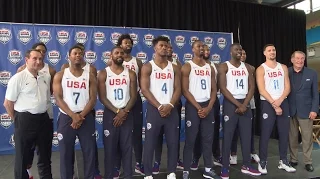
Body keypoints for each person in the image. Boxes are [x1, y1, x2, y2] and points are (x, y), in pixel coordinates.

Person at [4, 49, 53, 179]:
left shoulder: (45, 77)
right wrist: (18, 121)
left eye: (40, 59)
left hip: (43, 120)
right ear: (26, 60)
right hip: (24, 120)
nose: (38, 61)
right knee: (22, 159)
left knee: (45, 156)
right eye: (34, 58)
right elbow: (8, 103)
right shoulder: (18, 78)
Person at [53, 45, 97, 179]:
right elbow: (58, 98)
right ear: (69, 56)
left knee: (89, 152)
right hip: (67, 117)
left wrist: (80, 116)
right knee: (66, 153)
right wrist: (73, 116)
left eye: (80, 53)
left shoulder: (90, 76)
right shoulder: (60, 75)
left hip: (85, 116)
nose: (78, 55)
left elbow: (93, 99)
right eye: (75, 53)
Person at [140, 36, 181, 179]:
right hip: (154, 109)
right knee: (150, 143)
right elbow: (144, 89)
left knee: (173, 142)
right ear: (155, 48)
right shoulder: (147, 66)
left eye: (166, 45)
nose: (164, 48)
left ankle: (171, 172)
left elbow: (178, 89)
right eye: (161, 45)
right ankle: (148, 173)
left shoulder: (174, 67)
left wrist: (169, 105)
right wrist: (159, 106)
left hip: (171, 109)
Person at [219, 43, 261, 179]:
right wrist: (238, 104)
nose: (239, 52)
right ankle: (225, 167)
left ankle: (247, 165)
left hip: (245, 103)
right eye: (236, 50)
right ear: (231, 52)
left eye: (241, 50)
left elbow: (252, 87)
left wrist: (245, 104)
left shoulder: (248, 68)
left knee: (246, 136)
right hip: (231, 105)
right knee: (228, 137)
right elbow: (223, 88)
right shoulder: (224, 66)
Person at [16, 42, 56, 179]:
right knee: (26, 153)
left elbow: (51, 91)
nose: (41, 54)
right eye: (38, 51)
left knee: (45, 153)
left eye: (43, 52)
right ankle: (28, 173)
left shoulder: (50, 71)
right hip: (27, 119)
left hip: (46, 116)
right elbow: (9, 101)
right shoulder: (22, 71)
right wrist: (17, 119)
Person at [97, 46, 137, 179]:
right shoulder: (103, 73)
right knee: (109, 150)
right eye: (116, 52)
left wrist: (124, 112)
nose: (119, 54)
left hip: (127, 113)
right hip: (110, 114)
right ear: (111, 55)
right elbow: (102, 97)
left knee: (127, 149)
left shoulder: (131, 73)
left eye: (121, 53)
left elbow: (133, 96)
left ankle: (128, 176)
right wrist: (117, 111)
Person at [181, 40, 219, 179]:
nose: (201, 48)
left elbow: (214, 89)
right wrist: (199, 107)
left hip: (208, 106)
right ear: (192, 49)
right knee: (190, 140)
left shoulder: (210, 67)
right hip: (193, 107)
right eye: (198, 46)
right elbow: (185, 90)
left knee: (208, 139)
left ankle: (208, 168)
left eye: (203, 46)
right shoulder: (187, 66)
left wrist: (209, 107)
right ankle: (186, 170)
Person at [256, 44, 296, 174]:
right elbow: (261, 89)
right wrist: (274, 103)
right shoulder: (261, 69)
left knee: (284, 134)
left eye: (273, 50)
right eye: (269, 50)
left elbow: (287, 87)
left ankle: (283, 161)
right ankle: (263, 162)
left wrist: (280, 101)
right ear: (264, 53)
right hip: (268, 103)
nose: (272, 52)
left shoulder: (283, 67)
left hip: (282, 102)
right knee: (266, 134)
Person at [113, 34, 144, 178]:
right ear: (119, 45)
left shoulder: (137, 61)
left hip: (135, 101)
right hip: (119, 102)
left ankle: (138, 162)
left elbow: (142, 81)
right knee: (119, 134)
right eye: (125, 43)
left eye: (130, 43)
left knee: (136, 132)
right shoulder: (114, 61)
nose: (128, 45)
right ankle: (117, 166)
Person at [153, 43, 184, 175]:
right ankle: (157, 162)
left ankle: (175, 160)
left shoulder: (177, 64)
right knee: (157, 136)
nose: (168, 49)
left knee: (173, 137)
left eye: (170, 48)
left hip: (174, 105)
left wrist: (172, 103)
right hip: (158, 106)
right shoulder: (154, 64)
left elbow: (179, 86)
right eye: (166, 47)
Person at [191, 44, 222, 170]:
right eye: (204, 49)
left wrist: (211, 100)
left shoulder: (214, 66)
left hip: (212, 101)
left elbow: (218, 84)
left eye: (208, 49)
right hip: (198, 102)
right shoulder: (192, 65)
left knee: (213, 131)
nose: (206, 51)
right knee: (197, 132)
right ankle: (196, 157)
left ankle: (216, 155)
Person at [288, 51, 318, 172]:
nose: (300, 61)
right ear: (292, 60)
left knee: (307, 138)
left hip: (306, 111)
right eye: (297, 58)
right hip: (290, 110)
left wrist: (314, 109)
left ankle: (308, 161)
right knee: (292, 137)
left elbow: (315, 94)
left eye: (302, 58)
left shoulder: (312, 73)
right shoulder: (286, 72)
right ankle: (293, 159)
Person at [230, 49, 260, 165]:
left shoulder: (251, 68)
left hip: (249, 103)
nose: (242, 55)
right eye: (240, 53)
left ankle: (252, 152)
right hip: (235, 103)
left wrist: (247, 101)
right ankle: (233, 153)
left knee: (250, 130)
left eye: (244, 53)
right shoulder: (230, 67)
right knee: (234, 130)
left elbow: (254, 86)